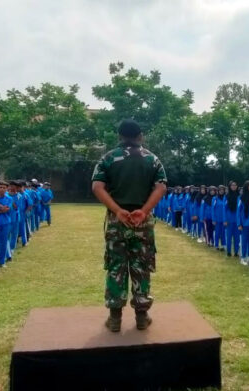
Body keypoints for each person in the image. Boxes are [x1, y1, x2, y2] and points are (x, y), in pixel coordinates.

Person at [91, 119, 167, 332]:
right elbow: (161, 187)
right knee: (141, 266)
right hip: (142, 222)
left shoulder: (107, 158)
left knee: (116, 267)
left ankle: (115, 318)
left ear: (119, 136)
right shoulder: (152, 159)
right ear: (140, 136)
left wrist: (117, 210)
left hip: (118, 221)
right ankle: (142, 317)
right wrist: (144, 211)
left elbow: (97, 186)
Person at [238, 180, 249, 266]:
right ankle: (243, 258)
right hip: (244, 223)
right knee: (244, 241)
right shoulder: (241, 198)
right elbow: (238, 212)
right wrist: (239, 224)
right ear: (246, 187)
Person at [224, 181, 239, 257]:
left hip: (237, 220)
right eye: (232, 185)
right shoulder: (226, 196)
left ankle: (236, 252)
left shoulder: (239, 196)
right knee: (229, 237)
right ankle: (229, 251)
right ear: (230, 186)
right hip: (229, 220)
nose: (234, 186)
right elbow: (224, 209)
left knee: (237, 237)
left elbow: (240, 209)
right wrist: (225, 220)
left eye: (235, 185)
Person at [212, 185, 227, 251]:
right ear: (218, 191)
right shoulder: (215, 198)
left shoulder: (226, 198)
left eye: (222, 190)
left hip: (224, 219)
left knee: (223, 232)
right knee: (217, 232)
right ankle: (216, 245)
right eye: (220, 190)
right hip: (217, 219)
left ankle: (223, 245)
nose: (221, 191)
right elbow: (213, 209)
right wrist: (214, 219)